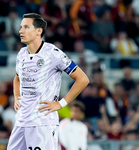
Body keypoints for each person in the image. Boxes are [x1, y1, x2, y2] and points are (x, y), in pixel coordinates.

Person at [7, 13, 89, 150]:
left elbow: (83, 79)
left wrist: (61, 104)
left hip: (42, 122)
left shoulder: (53, 53)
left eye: (26, 27)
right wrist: (17, 97)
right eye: (21, 27)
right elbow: (17, 78)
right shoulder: (21, 54)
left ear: (39, 31)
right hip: (21, 121)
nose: (20, 31)